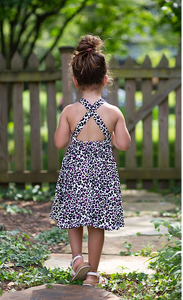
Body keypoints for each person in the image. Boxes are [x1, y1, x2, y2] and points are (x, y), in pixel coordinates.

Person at [49, 35, 131, 287]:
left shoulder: (70, 111)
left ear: (75, 81)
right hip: (102, 174)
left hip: (75, 171)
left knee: (74, 218)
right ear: (105, 79)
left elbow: (60, 143)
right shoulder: (113, 112)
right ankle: (92, 275)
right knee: (97, 224)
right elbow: (123, 144)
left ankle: (76, 259)